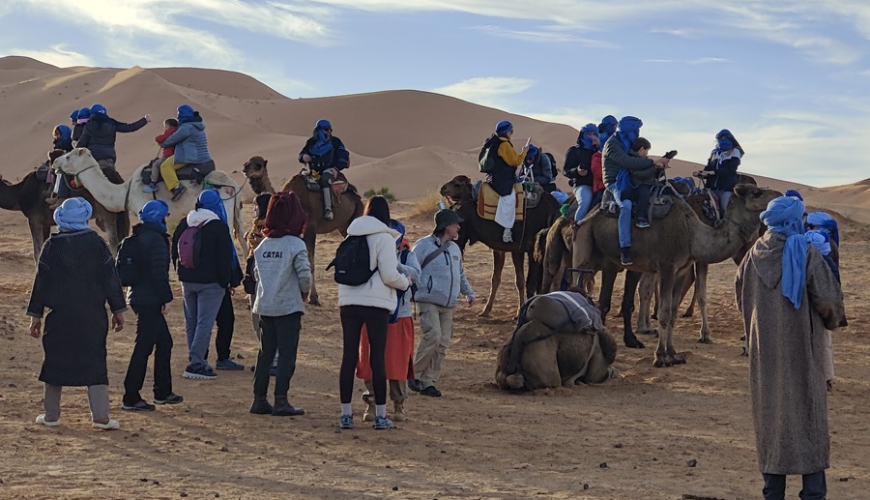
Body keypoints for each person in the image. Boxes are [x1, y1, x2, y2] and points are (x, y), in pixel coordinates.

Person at [736, 196, 846, 500]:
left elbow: (740, 297)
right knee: (808, 416)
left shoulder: (751, 256)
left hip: (765, 354)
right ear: (793, 221)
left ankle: (773, 492)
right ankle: (813, 493)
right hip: (803, 351)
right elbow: (829, 301)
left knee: (771, 420)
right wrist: (832, 321)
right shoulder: (807, 254)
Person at [27, 198, 127, 430]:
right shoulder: (96, 243)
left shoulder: (52, 245)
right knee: (95, 361)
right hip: (92, 316)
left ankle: (51, 415)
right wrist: (117, 310)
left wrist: (35, 316)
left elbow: (41, 283)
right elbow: (110, 279)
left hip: (59, 316)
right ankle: (100, 416)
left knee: (54, 362)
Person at [337, 196, 410, 431]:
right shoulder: (384, 238)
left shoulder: (350, 235)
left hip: (348, 302)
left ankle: (346, 415)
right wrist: (405, 282)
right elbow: (389, 275)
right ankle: (380, 415)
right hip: (376, 304)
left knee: (349, 356)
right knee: (377, 358)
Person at [250, 191, 311, 416]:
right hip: (287, 307)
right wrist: (304, 293)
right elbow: (305, 276)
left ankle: (259, 400)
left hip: (265, 306)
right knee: (286, 355)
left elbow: (257, 275)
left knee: (265, 353)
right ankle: (281, 401)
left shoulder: (262, 245)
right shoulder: (296, 244)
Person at [120, 200, 184, 411]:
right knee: (144, 347)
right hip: (150, 300)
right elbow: (159, 274)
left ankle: (162, 391)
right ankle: (131, 396)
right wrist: (166, 299)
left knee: (164, 343)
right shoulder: (156, 240)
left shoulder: (138, 237)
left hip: (139, 298)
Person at [408, 209, 476, 397]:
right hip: (428, 300)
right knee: (433, 336)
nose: (459, 227)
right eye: (455, 224)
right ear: (446, 226)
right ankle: (413, 374)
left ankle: (428, 381)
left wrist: (468, 292)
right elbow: (412, 269)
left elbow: (460, 273)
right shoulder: (423, 245)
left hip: (449, 303)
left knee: (443, 343)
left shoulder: (455, 249)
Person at [357, 219, 420, 423]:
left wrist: (394, 264)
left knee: (397, 363)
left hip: (399, 316)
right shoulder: (368, 251)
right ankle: (372, 403)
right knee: (370, 362)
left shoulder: (408, 255)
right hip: (372, 312)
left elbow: (417, 275)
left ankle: (398, 404)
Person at [171, 190, 235, 380]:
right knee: (204, 323)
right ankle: (196, 364)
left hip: (187, 280)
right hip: (211, 283)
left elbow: (174, 251)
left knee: (191, 322)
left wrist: (181, 273)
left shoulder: (185, 223)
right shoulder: (218, 226)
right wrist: (225, 282)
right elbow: (225, 258)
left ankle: (196, 358)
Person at [601, 116, 670, 266]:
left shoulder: (627, 144)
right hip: (615, 182)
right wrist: (653, 162)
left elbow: (637, 162)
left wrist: (657, 166)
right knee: (625, 206)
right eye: (636, 130)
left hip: (631, 180)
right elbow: (627, 162)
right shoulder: (612, 144)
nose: (637, 133)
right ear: (629, 130)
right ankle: (624, 248)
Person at [806, 211, 842, 391]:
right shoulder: (831, 243)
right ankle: (827, 377)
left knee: (817, 339)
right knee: (825, 340)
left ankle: (822, 377)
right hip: (829, 298)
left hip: (818, 299)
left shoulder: (815, 245)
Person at [483, 120, 527, 243]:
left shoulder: (494, 143)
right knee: (509, 198)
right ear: (507, 132)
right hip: (502, 179)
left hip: (495, 177)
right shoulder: (504, 145)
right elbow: (515, 161)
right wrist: (524, 152)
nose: (511, 133)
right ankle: (506, 230)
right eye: (511, 131)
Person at [158, 105, 213, 201]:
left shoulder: (187, 127)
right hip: (202, 156)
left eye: (179, 114)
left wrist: (162, 143)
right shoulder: (197, 124)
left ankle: (176, 187)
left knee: (165, 166)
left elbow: (173, 139)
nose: (178, 116)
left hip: (191, 157)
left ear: (184, 114)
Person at [298, 119, 349, 221]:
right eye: (326, 129)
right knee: (299, 181)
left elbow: (344, 156)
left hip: (330, 170)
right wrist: (304, 157)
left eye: (330, 129)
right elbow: (301, 155)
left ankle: (328, 209)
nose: (329, 132)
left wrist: (336, 168)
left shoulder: (335, 142)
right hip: (314, 172)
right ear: (319, 130)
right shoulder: (311, 143)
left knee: (325, 179)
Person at [76, 103, 150, 171]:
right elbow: (130, 127)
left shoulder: (89, 125)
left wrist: (75, 151)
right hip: (109, 157)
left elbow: (82, 142)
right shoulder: (111, 123)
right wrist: (144, 120)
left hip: (94, 157)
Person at [696, 129, 743, 215]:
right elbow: (708, 167)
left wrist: (713, 172)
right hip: (711, 188)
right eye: (720, 138)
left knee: (724, 209)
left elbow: (730, 170)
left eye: (724, 138)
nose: (722, 140)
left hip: (725, 188)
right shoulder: (715, 153)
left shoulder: (735, 152)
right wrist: (702, 173)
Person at [564, 123, 599, 223]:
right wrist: (577, 171)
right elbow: (566, 170)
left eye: (594, 134)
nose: (592, 137)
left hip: (599, 184)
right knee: (585, 202)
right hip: (582, 184)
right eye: (589, 134)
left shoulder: (599, 151)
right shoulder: (575, 151)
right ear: (583, 135)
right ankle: (576, 227)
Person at [143, 118, 180, 193]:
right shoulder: (176, 132)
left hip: (168, 156)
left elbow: (158, 139)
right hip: (172, 155)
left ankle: (153, 182)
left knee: (156, 164)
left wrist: (163, 136)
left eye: (165, 126)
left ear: (170, 126)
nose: (165, 128)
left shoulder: (170, 132)